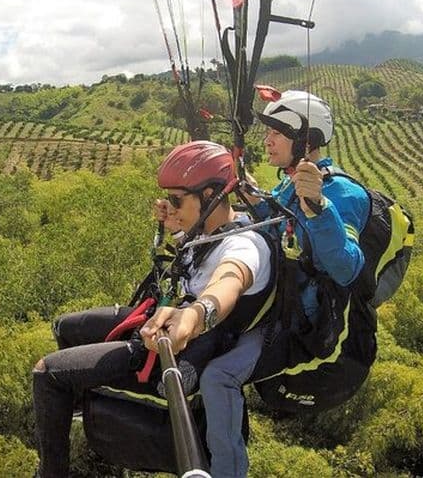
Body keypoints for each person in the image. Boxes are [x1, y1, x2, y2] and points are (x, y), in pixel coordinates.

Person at [32, 140, 275, 478]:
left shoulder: (243, 245)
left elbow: (228, 282)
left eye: (177, 199)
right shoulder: (209, 228)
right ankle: (79, 403)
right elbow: (188, 263)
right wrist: (175, 222)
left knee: (47, 374)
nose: (169, 206)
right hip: (162, 317)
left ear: (209, 195)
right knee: (65, 328)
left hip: (178, 343)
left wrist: (193, 315)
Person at [184, 90, 374, 478]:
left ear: (305, 140)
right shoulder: (290, 185)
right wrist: (246, 189)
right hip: (274, 302)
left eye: (277, 133)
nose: (267, 140)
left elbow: (347, 267)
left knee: (219, 376)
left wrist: (320, 209)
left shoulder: (342, 193)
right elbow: (276, 216)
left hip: (300, 324)